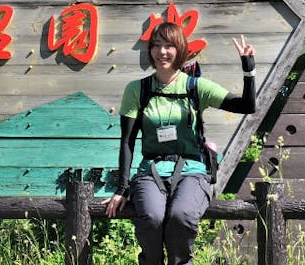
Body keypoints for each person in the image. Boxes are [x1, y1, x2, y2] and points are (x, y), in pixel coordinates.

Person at [101, 22, 256, 265]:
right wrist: (121, 189)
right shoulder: (137, 90)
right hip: (150, 172)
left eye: (169, 46)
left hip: (192, 171)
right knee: (151, 218)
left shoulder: (195, 86)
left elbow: (247, 106)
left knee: (181, 216)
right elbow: (127, 142)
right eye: (156, 45)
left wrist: (249, 70)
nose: (162, 52)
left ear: (180, 49)